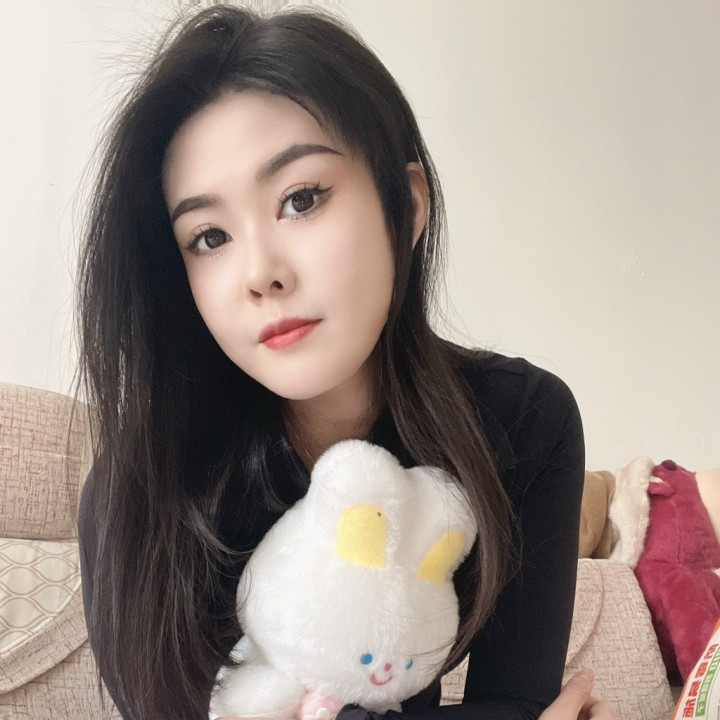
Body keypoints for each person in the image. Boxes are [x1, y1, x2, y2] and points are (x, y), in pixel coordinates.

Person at [76, 6, 610, 720]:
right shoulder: (138, 492)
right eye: (209, 237)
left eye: (301, 199)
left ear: (406, 206)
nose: (260, 273)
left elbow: (517, 701)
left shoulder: (521, 422)